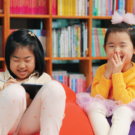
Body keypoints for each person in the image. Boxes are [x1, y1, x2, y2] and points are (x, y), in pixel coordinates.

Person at [76, 11, 135, 135]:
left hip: (126, 106)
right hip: (106, 104)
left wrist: (117, 73)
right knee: (93, 107)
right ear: (104, 49)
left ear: (134, 49)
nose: (117, 51)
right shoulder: (102, 69)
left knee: (123, 111)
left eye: (122, 45)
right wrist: (108, 73)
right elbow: (97, 97)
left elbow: (124, 101)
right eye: (111, 46)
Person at [0, 29, 66, 135]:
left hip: (28, 125)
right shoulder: (0, 78)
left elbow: (51, 110)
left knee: (55, 87)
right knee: (15, 91)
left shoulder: (43, 79)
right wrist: (4, 91)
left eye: (27, 60)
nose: (21, 66)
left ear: (36, 59)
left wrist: (28, 101)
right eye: (16, 60)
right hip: (5, 125)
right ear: (8, 59)